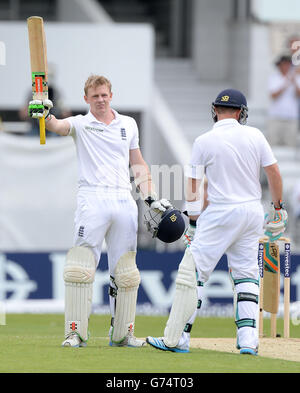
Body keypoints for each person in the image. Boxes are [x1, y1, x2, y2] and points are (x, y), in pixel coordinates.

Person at [28, 75, 172, 348]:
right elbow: (57, 126)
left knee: (126, 271)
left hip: (123, 199)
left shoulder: (127, 124)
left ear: (111, 95)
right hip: (92, 198)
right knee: (80, 268)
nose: (101, 100)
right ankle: (75, 332)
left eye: (104, 95)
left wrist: (151, 197)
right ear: (86, 99)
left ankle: (122, 334)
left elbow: (138, 163)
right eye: (95, 96)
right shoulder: (81, 124)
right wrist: (43, 113)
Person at [146, 89, 288, 355]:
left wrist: (193, 219)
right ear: (240, 112)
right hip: (251, 212)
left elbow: (194, 184)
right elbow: (274, 172)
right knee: (246, 275)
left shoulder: (204, 140)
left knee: (193, 274)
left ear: (215, 110)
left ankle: (176, 338)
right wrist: (278, 208)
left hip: (221, 213)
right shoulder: (255, 135)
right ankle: (248, 341)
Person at [266, 54, 300, 147]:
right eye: (283, 64)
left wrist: (294, 81)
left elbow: (298, 94)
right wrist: (286, 83)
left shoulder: (296, 78)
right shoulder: (273, 78)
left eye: (288, 64)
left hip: (291, 117)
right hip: (275, 116)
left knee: (291, 145)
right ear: (279, 66)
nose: (286, 66)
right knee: (272, 144)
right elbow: (273, 95)